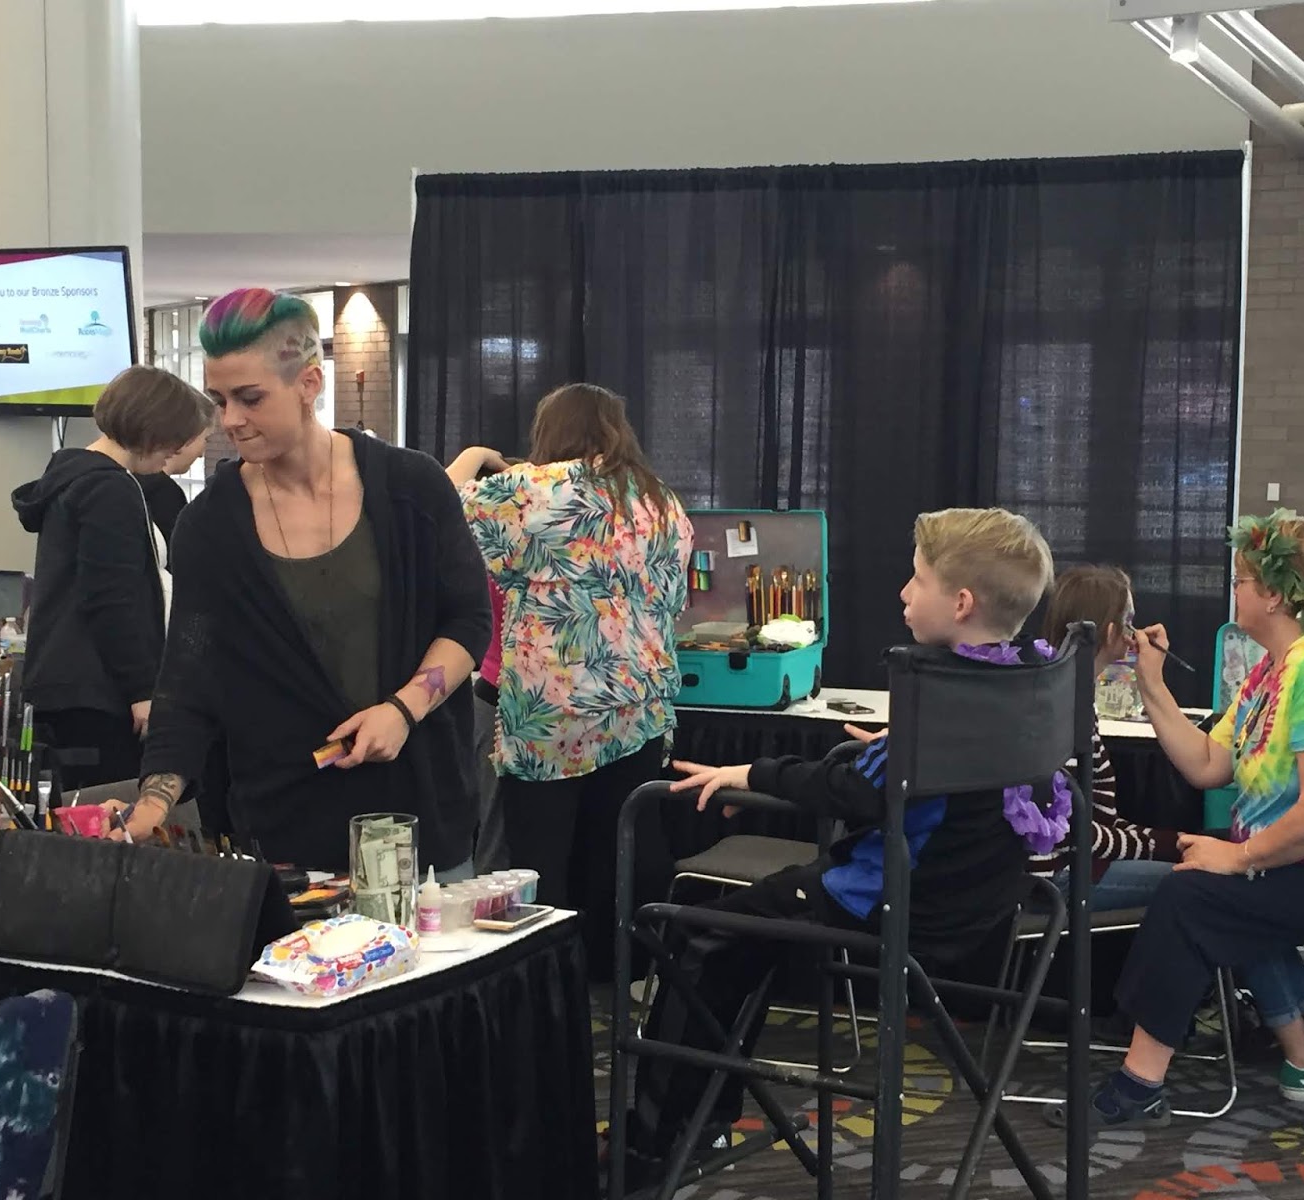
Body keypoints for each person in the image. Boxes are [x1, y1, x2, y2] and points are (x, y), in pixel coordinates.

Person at [619, 507, 1063, 1183]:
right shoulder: (1026, 677)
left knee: (698, 935)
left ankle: (653, 1143)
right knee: (744, 933)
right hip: (977, 908)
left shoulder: (937, 694)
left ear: (962, 603)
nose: (903, 593)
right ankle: (704, 1116)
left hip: (890, 905)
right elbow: (911, 776)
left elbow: (854, 792)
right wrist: (889, 750)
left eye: (917, 580)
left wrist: (749, 773)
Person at [1064, 509, 1304, 1134]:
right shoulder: (1276, 667)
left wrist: (1240, 857)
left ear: (1272, 593)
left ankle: (1140, 1083)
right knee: (1209, 881)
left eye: (1240, 580)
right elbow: (1208, 765)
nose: (1233, 591)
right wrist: (1151, 685)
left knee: (1196, 895)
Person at [110, 288, 490, 880]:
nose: (230, 420)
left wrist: (403, 710)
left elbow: (468, 619)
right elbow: (188, 681)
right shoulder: (209, 527)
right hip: (287, 833)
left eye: (250, 398)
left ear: (309, 383)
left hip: (423, 820)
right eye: (220, 400)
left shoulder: (412, 487)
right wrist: (153, 806)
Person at [459, 384, 692, 975]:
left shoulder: (533, 489)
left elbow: (436, 509)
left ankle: (549, 989)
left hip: (551, 710)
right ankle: (618, 978)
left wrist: (475, 456)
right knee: (617, 852)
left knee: (539, 865)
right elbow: (673, 600)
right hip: (637, 706)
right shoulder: (659, 499)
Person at [13, 365, 212, 791]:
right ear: (153, 430)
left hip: (69, 690)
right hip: (97, 694)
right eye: (174, 440)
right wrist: (143, 690)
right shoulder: (110, 489)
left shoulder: (73, 477)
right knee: (109, 818)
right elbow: (112, 599)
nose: (174, 453)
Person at [1033, 565, 1179, 909]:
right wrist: (1164, 845)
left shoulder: (1059, 689)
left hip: (1067, 865)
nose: (1134, 633)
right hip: (1056, 879)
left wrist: (1168, 841)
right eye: (1130, 622)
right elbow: (1071, 829)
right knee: (1195, 885)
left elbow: (1095, 821)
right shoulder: (1065, 707)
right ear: (1112, 631)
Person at [445, 446, 520, 874]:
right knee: (496, 839)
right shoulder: (502, 544)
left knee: (495, 835)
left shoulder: (485, 543)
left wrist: (475, 455)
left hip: (493, 698)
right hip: (496, 705)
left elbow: (445, 491)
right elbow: (436, 495)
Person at [137, 424, 212, 561]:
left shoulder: (130, 481)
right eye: (205, 440)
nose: (201, 454)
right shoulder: (166, 494)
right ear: (185, 438)